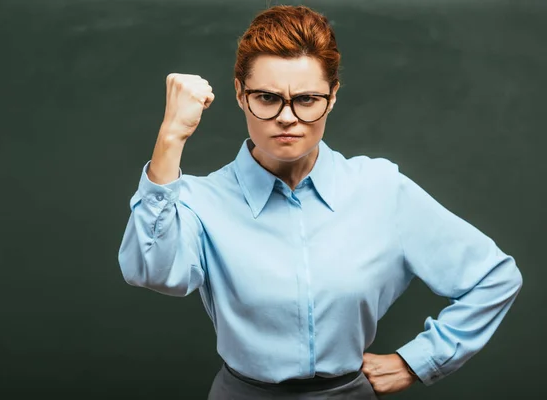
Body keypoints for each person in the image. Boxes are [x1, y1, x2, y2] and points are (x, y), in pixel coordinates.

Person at [117, 5, 523, 399]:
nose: (288, 117)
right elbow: (154, 273)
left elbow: (494, 278)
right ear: (240, 94)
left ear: (332, 97)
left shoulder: (380, 188)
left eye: (307, 99)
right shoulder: (198, 199)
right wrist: (171, 138)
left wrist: (417, 361)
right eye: (267, 97)